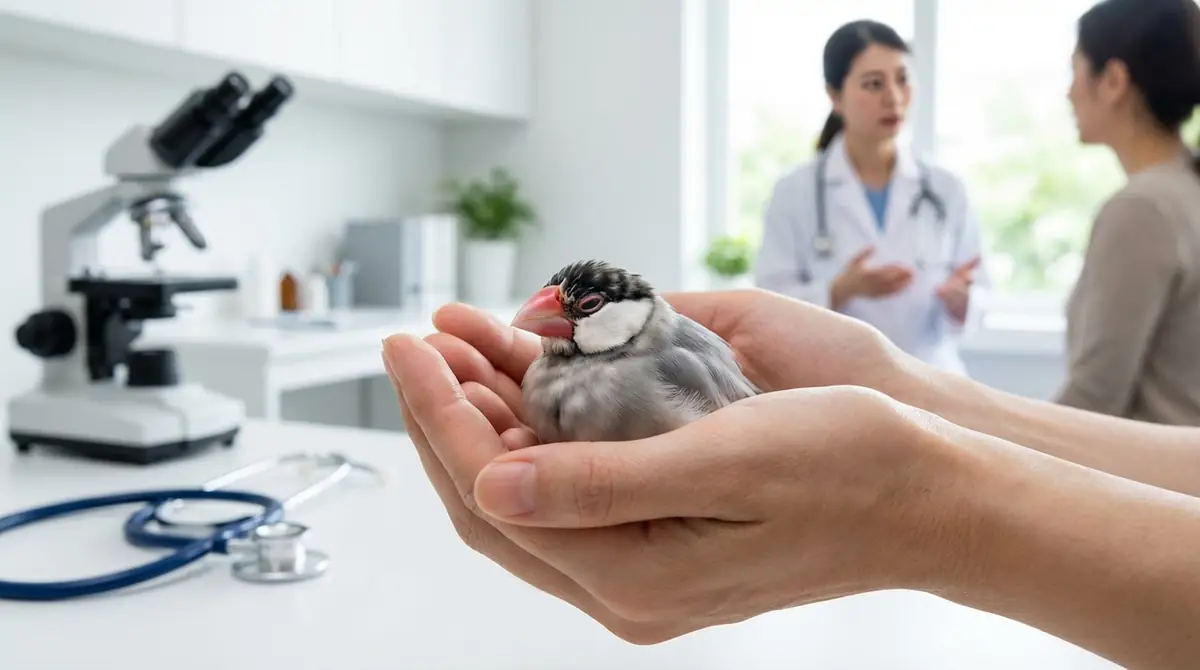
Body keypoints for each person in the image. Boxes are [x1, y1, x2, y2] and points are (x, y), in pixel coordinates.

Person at [385, 291, 1200, 670]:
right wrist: (915, 404)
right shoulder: (564, 362)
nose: (556, 317)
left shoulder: (660, 364)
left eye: (584, 305)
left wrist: (922, 495)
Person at [753, 19, 988, 375]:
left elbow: (980, 290)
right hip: (837, 382)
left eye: (902, 79)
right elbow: (770, 304)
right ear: (835, 96)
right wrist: (840, 289)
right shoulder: (795, 192)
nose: (893, 97)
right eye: (873, 84)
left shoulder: (946, 189)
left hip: (931, 377)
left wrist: (962, 301)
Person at [1054, 0, 1200, 425]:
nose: (1068, 92)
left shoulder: (1142, 210)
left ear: (1114, 80)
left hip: (1153, 480)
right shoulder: (1185, 189)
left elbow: (1093, 399)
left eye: (1075, 71)